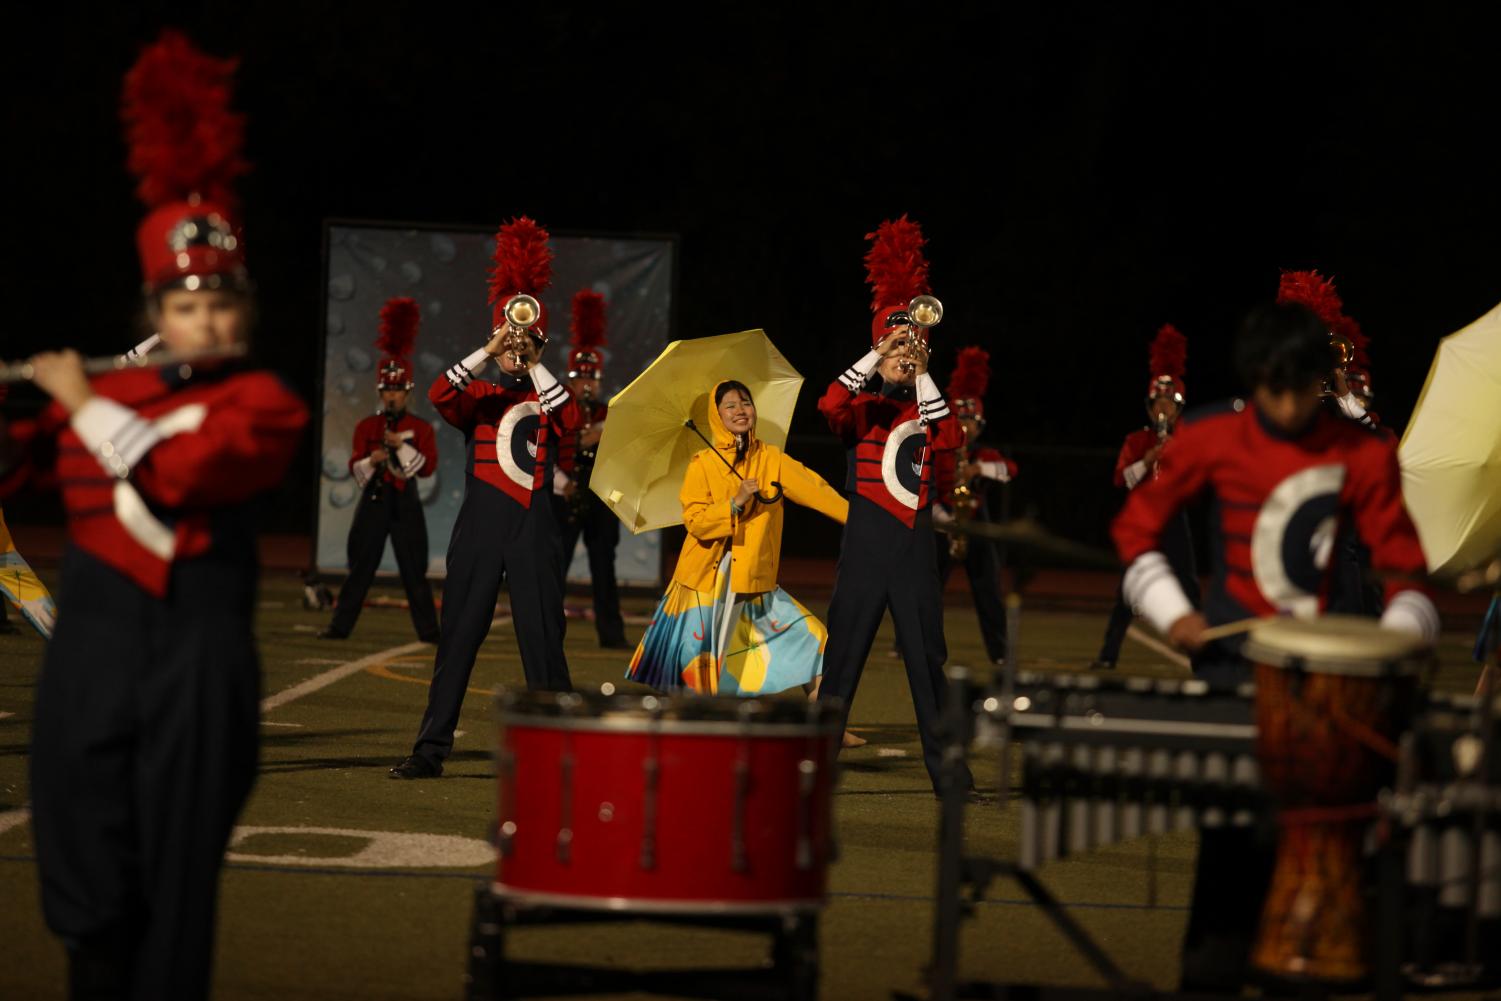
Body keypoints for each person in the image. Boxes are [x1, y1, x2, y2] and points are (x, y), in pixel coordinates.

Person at [15, 31, 308, 998]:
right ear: (158, 312)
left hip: (196, 657)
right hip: (91, 651)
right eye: (188, 305)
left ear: (245, 309)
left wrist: (83, 402)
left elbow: (182, 474)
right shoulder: (107, 395)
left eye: (223, 302)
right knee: (85, 878)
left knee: (176, 892)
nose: (209, 322)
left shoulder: (264, 401)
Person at [1112, 300, 1437, 993]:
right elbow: (1136, 533)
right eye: (1273, 388)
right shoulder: (1207, 437)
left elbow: (1409, 578)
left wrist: (1387, 646)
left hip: (1331, 697)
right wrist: (1174, 614)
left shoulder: (1363, 451)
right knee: (1224, 891)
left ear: (1321, 381)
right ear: (1254, 376)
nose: (1287, 407)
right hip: (1234, 680)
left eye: (1301, 388)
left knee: (1325, 912)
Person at [391, 217, 580, 780]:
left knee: (543, 640)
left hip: (533, 525)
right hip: (479, 525)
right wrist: (491, 346)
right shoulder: (477, 394)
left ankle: (565, 749)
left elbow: (568, 418)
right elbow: (438, 392)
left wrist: (534, 357)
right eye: (508, 339)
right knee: (458, 641)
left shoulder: (550, 394)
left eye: (525, 337)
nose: (514, 348)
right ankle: (430, 750)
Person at [816, 216, 973, 796]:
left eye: (912, 347)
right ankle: (813, 767)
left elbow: (950, 436)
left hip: (913, 548)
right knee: (843, 661)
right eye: (897, 350)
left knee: (928, 661)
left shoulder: (925, 409)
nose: (905, 357)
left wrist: (924, 366)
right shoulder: (863, 410)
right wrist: (877, 349)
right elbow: (829, 403)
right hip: (865, 543)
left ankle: (948, 776)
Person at [627, 380, 849, 702]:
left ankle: (831, 728)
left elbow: (819, 491)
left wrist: (860, 522)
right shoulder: (702, 464)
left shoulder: (771, 459)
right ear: (717, 417)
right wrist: (734, 502)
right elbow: (696, 523)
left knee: (815, 640)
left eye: (745, 402)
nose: (740, 410)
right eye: (730, 405)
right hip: (704, 583)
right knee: (696, 674)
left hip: (753, 581)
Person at [320, 297, 440, 642]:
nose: (392, 396)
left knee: (414, 570)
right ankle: (339, 626)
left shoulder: (421, 428)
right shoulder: (366, 427)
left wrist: (400, 445)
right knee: (360, 567)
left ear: (407, 392)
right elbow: (354, 468)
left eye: (398, 390)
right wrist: (373, 458)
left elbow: (427, 468)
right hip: (374, 500)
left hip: (406, 504)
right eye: (387, 389)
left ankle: (430, 631)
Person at [1276, 269, 1386, 616]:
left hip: (1342, 508)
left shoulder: (1341, 408)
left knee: (1352, 586)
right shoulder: (1286, 394)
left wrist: (1344, 395)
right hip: (1295, 500)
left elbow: (1375, 438)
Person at [1092, 324, 1199, 668]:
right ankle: (1108, 656)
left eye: (1169, 402)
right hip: (1143, 516)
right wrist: (1149, 459)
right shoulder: (1137, 440)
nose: (1163, 408)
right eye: (1158, 402)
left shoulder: (1189, 440)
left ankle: (1203, 658)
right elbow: (1121, 479)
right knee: (1127, 589)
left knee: (1189, 586)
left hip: (1175, 518)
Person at [931, 346, 1018, 665]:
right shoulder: (938, 451)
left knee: (989, 592)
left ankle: (999, 652)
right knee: (926, 589)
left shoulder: (983, 454)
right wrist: (945, 520)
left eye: (972, 423)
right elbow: (926, 490)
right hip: (941, 525)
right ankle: (907, 643)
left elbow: (1010, 470)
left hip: (975, 525)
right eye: (961, 421)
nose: (967, 429)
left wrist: (978, 469)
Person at [551, 290, 629, 649]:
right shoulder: (559, 410)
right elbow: (547, 450)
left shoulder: (608, 414)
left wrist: (602, 434)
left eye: (591, 379)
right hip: (566, 493)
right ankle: (547, 631)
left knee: (604, 568)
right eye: (580, 378)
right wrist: (560, 482)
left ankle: (611, 636)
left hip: (599, 497)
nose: (586, 384)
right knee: (556, 567)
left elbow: (623, 457)